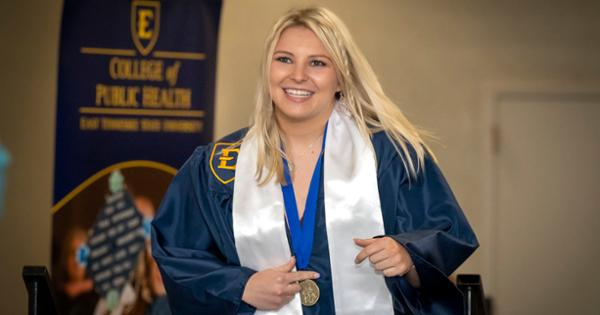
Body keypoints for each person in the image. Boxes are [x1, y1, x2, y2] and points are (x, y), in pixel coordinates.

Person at [152, 6, 478, 315]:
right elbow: (177, 254)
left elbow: (444, 236)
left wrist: (408, 257)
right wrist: (242, 286)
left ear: (341, 77)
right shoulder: (219, 167)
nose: (298, 75)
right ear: (268, 69)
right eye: (284, 59)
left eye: (317, 63)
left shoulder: (389, 156)